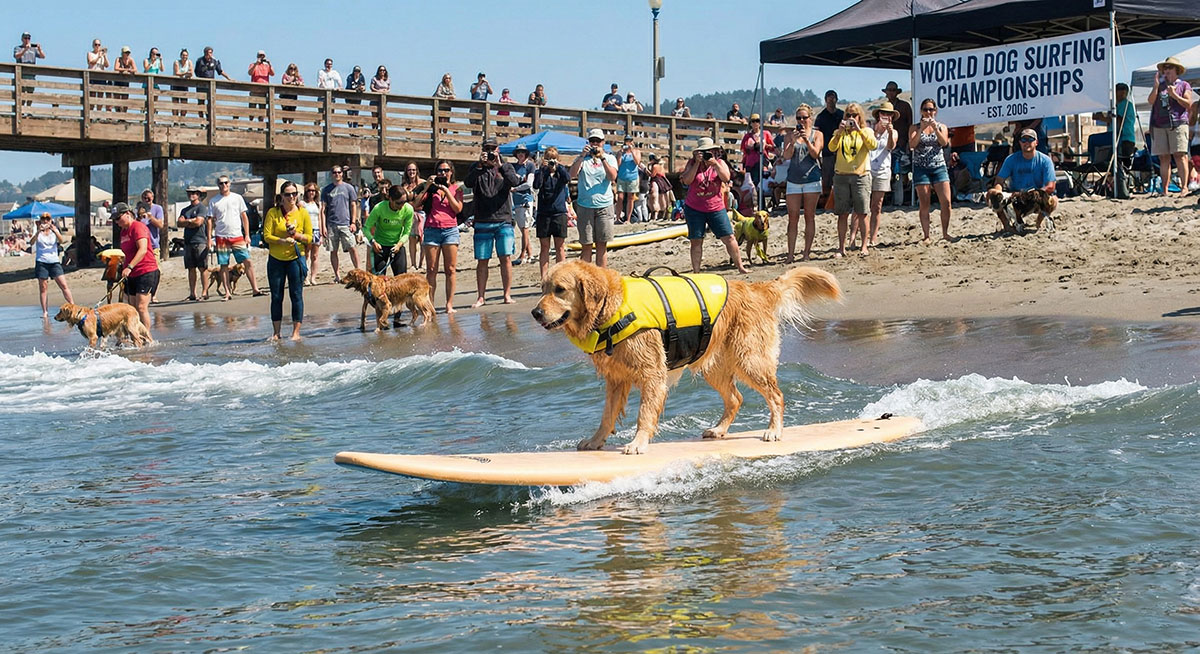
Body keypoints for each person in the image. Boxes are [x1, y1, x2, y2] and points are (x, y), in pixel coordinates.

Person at [465, 136, 521, 307]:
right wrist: (480, 166)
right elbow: (467, 182)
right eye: (487, 148)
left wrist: (500, 165)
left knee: (505, 258)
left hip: (503, 219)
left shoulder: (507, 166)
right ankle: (481, 297)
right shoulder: (477, 167)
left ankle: (507, 294)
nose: (490, 151)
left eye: (493, 148)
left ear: (498, 150)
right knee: (482, 260)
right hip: (482, 220)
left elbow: (515, 182)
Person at [680, 138, 748, 273]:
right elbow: (687, 181)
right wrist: (696, 164)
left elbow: (726, 178)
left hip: (715, 207)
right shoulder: (692, 163)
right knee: (696, 240)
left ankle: (740, 266)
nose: (706, 154)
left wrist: (715, 164)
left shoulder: (719, 162)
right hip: (694, 208)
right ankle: (696, 271)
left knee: (729, 237)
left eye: (708, 151)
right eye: (703, 152)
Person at [262, 181, 312, 341]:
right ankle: (276, 333)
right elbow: (267, 236)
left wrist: (296, 236)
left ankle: (296, 333)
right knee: (276, 296)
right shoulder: (273, 212)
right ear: (281, 196)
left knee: (296, 295)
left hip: (296, 259)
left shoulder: (303, 213)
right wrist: (282, 241)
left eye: (294, 194)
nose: (291, 197)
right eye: (288, 194)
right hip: (276, 259)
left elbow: (310, 238)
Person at [414, 160, 464, 313]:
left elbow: (457, 209)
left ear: (451, 172)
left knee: (450, 269)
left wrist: (446, 190)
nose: (443, 173)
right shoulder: (430, 189)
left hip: (450, 230)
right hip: (432, 230)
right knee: (431, 269)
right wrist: (428, 185)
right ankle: (431, 305)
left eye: (446, 170)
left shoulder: (457, 188)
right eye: (440, 171)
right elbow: (416, 204)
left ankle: (449, 304)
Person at [829, 102, 877, 257]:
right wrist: (839, 132)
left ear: (859, 117)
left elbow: (872, 145)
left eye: (854, 115)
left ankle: (864, 245)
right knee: (842, 213)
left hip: (860, 175)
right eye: (848, 115)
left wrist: (858, 130)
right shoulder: (840, 132)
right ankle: (841, 247)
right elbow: (831, 147)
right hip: (841, 176)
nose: (851, 118)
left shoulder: (866, 130)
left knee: (862, 212)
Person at [989, 128, 1056, 232]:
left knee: (1053, 200)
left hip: (1035, 198)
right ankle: (1007, 226)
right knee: (992, 194)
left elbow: (1051, 186)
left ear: (1036, 142)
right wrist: (998, 192)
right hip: (1015, 198)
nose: (1027, 143)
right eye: (1024, 140)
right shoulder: (1011, 159)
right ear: (1020, 143)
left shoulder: (1045, 160)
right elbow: (999, 181)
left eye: (1030, 140)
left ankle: (1039, 223)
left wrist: (1034, 194)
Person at [569, 128, 618, 268]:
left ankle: (600, 279)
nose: (595, 144)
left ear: (603, 142)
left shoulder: (610, 158)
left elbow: (613, 177)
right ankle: (586, 280)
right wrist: (581, 156)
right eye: (592, 141)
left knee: (602, 246)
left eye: (598, 141)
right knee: (586, 246)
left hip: (604, 205)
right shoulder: (583, 159)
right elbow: (572, 174)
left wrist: (602, 158)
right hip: (585, 206)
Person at [782, 104, 825, 262]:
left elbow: (815, 154)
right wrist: (792, 142)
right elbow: (786, 156)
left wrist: (806, 140)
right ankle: (790, 254)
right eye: (798, 118)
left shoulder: (817, 134)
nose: (801, 121)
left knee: (809, 216)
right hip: (793, 179)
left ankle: (806, 252)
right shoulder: (789, 135)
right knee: (792, 217)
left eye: (804, 118)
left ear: (810, 119)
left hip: (811, 179)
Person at [209, 175, 262, 299]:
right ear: (218, 185)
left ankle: (255, 289)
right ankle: (227, 292)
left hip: (237, 235)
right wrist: (209, 239)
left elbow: (244, 217)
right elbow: (210, 220)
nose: (224, 185)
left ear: (229, 184)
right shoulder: (214, 200)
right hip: (221, 236)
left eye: (226, 183)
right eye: (221, 183)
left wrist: (247, 235)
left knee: (247, 261)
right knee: (224, 264)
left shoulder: (237, 198)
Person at [909, 98, 953, 244]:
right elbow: (912, 144)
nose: (928, 112)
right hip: (921, 168)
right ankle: (926, 235)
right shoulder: (914, 127)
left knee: (946, 201)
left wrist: (934, 128)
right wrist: (921, 128)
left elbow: (944, 143)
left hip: (939, 166)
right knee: (924, 203)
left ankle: (945, 233)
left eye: (931, 109)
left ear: (935, 111)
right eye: (926, 109)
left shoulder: (942, 126)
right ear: (921, 111)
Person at [1148, 56, 1193, 197]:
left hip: (1178, 123)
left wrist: (1175, 95)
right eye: (1164, 68)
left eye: (1169, 68)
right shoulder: (1159, 85)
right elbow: (1150, 101)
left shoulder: (1184, 85)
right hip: (1159, 125)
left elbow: (1189, 104)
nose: (1166, 71)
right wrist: (1155, 86)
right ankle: (1165, 189)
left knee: (1180, 155)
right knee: (1164, 157)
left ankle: (1184, 187)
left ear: (1176, 70)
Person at [114, 202, 157, 339]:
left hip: (146, 270)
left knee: (141, 307)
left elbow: (142, 250)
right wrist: (123, 265)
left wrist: (130, 266)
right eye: (114, 219)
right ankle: (135, 336)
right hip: (131, 273)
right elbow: (127, 252)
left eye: (118, 218)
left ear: (127, 214)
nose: (116, 222)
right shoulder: (123, 231)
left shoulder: (138, 227)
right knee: (131, 308)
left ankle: (147, 337)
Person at [1093, 82, 1138, 198]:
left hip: (1124, 138)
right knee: (1119, 165)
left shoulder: (1124, 104)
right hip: (1121, 138)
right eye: (1120, 90)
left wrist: (1102, 118)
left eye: (1124, 91)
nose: (1122, 93)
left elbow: (1118, 120)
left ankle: (1121, 188)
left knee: (1120, 165)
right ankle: (1117, 187)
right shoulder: (1117, 105)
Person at [865, 102, 899, 253]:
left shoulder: (894, 132)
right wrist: (877, 130)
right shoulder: (870, 129)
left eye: (889, 114)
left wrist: (890, 132)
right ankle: (863, 237)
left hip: (882, 171)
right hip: (866, 169)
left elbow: (891, 146)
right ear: (879, 115)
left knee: (876, 206)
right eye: (884, 113)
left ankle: (873, 237)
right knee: (862, 206)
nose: (886, 116)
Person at [533, 146, 571, 280]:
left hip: (559, 213)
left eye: (554, 159)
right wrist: (543, 170)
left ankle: (560, 276)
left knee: (560, 247)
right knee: (544, 248)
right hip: (544, 214)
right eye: (549, 159)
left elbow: (567, 179)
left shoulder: (561, 173)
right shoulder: (541, 172)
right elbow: (536, 185)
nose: (551, 161)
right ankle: (544, 277)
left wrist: (558, 167)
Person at [320, 165, 360, 282]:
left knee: (352, 247)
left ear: (342, 174)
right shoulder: (326, 190)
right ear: (331, 174)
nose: (337, 174)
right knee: (333, 251)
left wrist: (353, 222)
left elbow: (354, 205)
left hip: (346, 223)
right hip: (331, 224)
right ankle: (337, 275)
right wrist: (323, 227)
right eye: (334, 172)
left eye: (339, 172)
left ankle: (358, 272)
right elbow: (323, 209)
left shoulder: (349, 188)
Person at [364, 184, 414, 277]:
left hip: (397, 246)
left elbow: (407, 232)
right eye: (399, 203)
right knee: (379, 281)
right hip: (380, 247)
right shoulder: (379, 208)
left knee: (401, 280)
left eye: (404, 202)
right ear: (390, 199)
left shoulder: (408, 209)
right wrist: (373, 242)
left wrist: (399, 244)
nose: (402, 206)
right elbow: (366, 228)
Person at [33, 213, 74, 317]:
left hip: (54, 261)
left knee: (64, 285)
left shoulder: (54, 231)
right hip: (42, 262)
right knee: (43, 288)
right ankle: (45, 312)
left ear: (51, 220)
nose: (45, 221)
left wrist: (55, 230)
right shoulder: (38, 231)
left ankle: (73, 306)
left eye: (47, 219)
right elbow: (31, 242)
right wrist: (38, 231)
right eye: (43, 219)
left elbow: (61, 241)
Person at [178, 185, 211, 301]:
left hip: (200, 241)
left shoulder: (202, 208)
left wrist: (187, 221)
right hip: (188, 242)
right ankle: (192, 293)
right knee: (191, 268)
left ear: (198, 194)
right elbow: (179, 223)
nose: (191, 195)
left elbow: (199, 222)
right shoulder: (184, 210)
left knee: (203, 268)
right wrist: (191, 221)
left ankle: (204, 292)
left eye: (193, 193)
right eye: (189, 193)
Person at [814, 90, 844, 206]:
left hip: (841, 152)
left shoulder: (841, 115)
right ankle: (826, 203)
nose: (831, 101)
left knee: (841, 178)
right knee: (826, 179)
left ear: (837, 99)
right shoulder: (821, 117)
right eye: (829, 99)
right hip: (826, 152)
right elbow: (816, 134)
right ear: (825, 100)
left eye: (833, 98)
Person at [509, 144, 536, 265]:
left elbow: (529, 184)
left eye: (523, 152)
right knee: (522, 229)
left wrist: (515, 189)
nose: (521, 154)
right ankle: (530, 254)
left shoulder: (530, 165)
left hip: (526, 199)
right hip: (516, 201)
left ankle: (522, 255)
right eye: (519, 152)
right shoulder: (513, 166)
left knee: (525, 229)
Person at [741, 113, 776, 190]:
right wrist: (751, 146)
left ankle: (762, 201)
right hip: (750, 163)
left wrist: (765, 145)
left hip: (763, 163)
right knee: (751, 185)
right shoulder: (747, 136)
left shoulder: (766, 133)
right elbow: (743, 148)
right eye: (753, 121)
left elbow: (773, 147)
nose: (755, 123)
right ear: (750, 123)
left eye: (757, 121)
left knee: (762, 185)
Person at [401, 163, 425, 271]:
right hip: (410, 214)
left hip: (422, 213)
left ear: (417, 171)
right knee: (411, 239)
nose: (412, 172)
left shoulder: (423, 183)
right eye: (409, 170)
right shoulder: (405, 186)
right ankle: (413, 263)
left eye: (414, 170)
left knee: (422, 239)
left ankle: (422, 263)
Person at [615, 135, 642, 223]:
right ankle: (618, 218)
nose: (628, 142)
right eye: (626, 141)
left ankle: (628, 218)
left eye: (629, 141)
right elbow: (617, 165)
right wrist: (620, 153)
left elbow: (637, 162)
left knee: (631, 198)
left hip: (632, 177)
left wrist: (632, 151)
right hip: (622, 177)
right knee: (620, 197)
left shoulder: (637, 151)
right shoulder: (621, 152)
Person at [300, 183, 322, 285]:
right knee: (306, 254)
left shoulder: (318, 204)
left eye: (313, 190)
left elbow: (320, 218)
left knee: (315, 255)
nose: (311, 192)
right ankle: (305, 276)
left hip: (316, 230)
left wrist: (321, 233)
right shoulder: (302, 204)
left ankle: (313, 277)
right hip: (307, 230)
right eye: (309, 190)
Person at [881, 81, 913, 151]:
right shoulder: (883, 108)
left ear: (897, 92)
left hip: (902, 143)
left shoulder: (904, 106)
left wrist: (909, 141)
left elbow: (910, 124)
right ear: (886, 92)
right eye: (889, 90)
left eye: (893, 90)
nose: (891, 92)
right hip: (886, 143)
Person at [647, 153, 673, 221]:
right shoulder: (661, 166)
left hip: (657, 181)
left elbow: (652, 175)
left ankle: (655, 215)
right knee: (663, 199)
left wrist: (647, 170)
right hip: (663, 182)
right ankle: (663, 215)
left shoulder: (655, 166)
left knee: (655, 199)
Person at [87, 38, 110, 112]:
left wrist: (105, 56)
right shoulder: (90, 54)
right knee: (92, 96)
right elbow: (91, 62)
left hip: (101, 77)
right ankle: (91, 114)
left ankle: (98, 114)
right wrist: (98, 57)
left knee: (100, 96)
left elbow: (107, 65)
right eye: (96, 44)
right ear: (93, 45)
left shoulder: (102, 55)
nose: (97, 46)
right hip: (92, 77)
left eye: (99, 45)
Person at [171, 48, 192, 117]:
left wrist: (186, 74)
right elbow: (177, 72)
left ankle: (182, 120)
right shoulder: (176, 62)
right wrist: (185, 73)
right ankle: (175, 120)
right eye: (183, 55)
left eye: (186, 55)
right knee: (175, 102)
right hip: (175, 84)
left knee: (184, 102)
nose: (184, 57)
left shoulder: (189, 62)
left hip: (184, 84)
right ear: (180, 55)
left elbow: (191, 72)